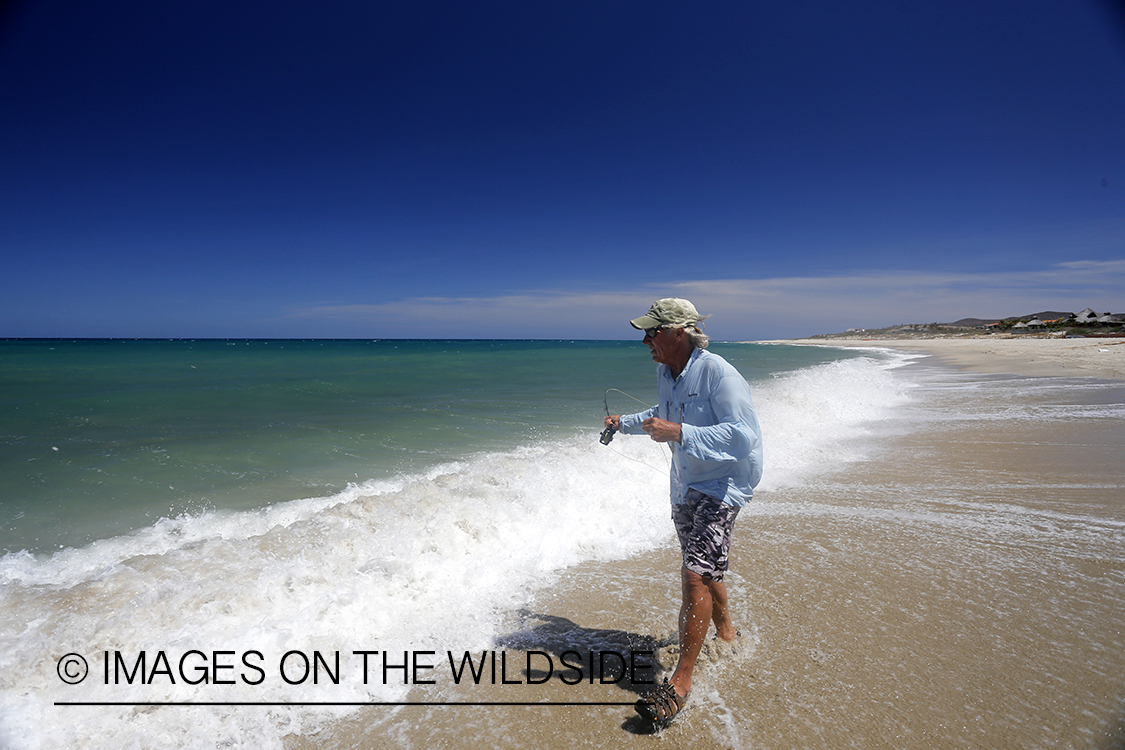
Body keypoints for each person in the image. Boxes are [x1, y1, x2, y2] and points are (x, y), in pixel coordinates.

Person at [604, 298, 763, 726]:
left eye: (652, 332)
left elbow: (743, 436)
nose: (645, 341)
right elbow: (663, 414)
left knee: (694, 574)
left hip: (724, 483)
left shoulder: (719, 373)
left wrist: (678, 432)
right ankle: (726, 632)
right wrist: (625, 423)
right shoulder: (665, 372)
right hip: (685, 482)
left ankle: (680, 683)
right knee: (703, 568)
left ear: (679, 332)